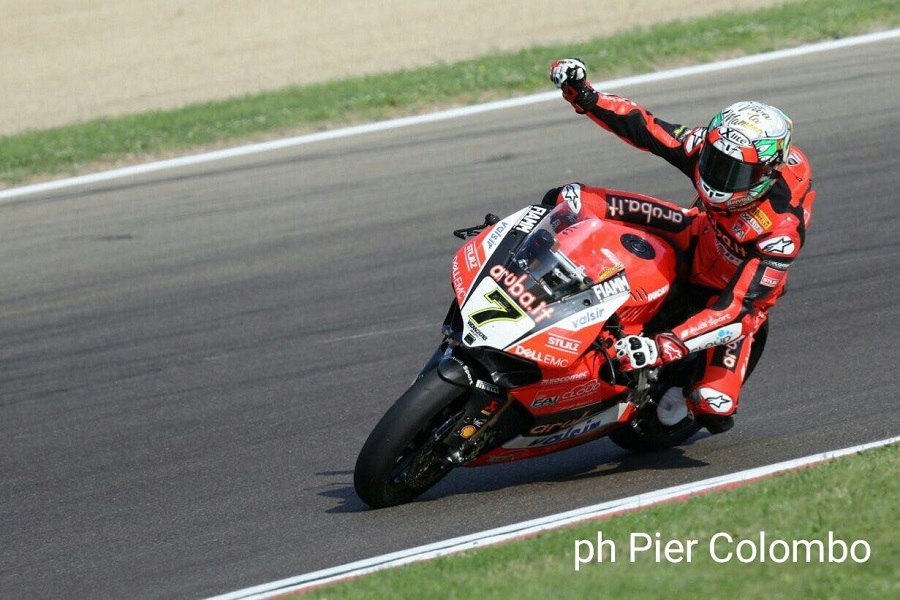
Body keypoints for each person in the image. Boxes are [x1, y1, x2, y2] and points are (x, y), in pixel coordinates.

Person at [546, 58, 816, 434]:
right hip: (694, 233)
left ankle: (673, 392)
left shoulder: (781, 229)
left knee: (713, 407)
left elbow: (739, 309)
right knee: (571, 198)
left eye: (735, 172)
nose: (718, 177)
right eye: (715, 161)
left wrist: (666, 346)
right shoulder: (705, 147)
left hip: (728, 296)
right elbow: (646, 127)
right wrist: (585, 96)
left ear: (766, 174)